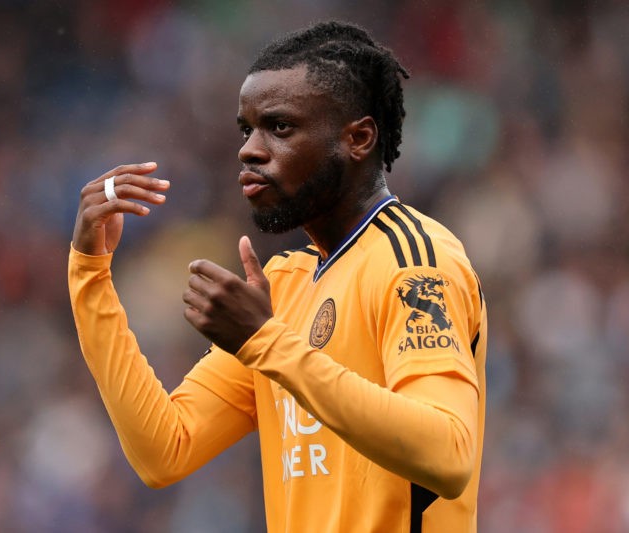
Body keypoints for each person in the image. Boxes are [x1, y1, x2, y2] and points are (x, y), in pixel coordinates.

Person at [68, 20, 487, 532]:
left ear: (358, 138)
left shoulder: (415, 261)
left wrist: (268, 343)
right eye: (247, 129)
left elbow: (449, 454)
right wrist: (90, 274)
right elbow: (164, 450)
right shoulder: (285, 283)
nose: (249, 150)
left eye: (280, 127)